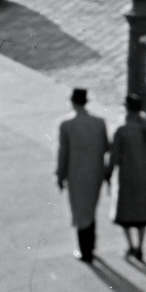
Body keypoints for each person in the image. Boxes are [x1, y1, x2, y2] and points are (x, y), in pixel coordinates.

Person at [106, 94, 146, 261]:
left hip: (126, 177)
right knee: (142, 216)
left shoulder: (121, 129)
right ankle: (141, 246)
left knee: (125, 214)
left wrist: (107, 174)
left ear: (126, 108)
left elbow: (113, 157)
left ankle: (130, 245)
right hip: (145, 176)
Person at [56, 87, 109, 263]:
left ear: (72, 102)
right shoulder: (99, 122)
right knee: (91, 209)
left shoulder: (66, 125)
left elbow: (63, 154)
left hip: (76, 174)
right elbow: (105, 147)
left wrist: (60, 175)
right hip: (95, 172)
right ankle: (91, 246)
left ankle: (84, 251)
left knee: (79, 211)